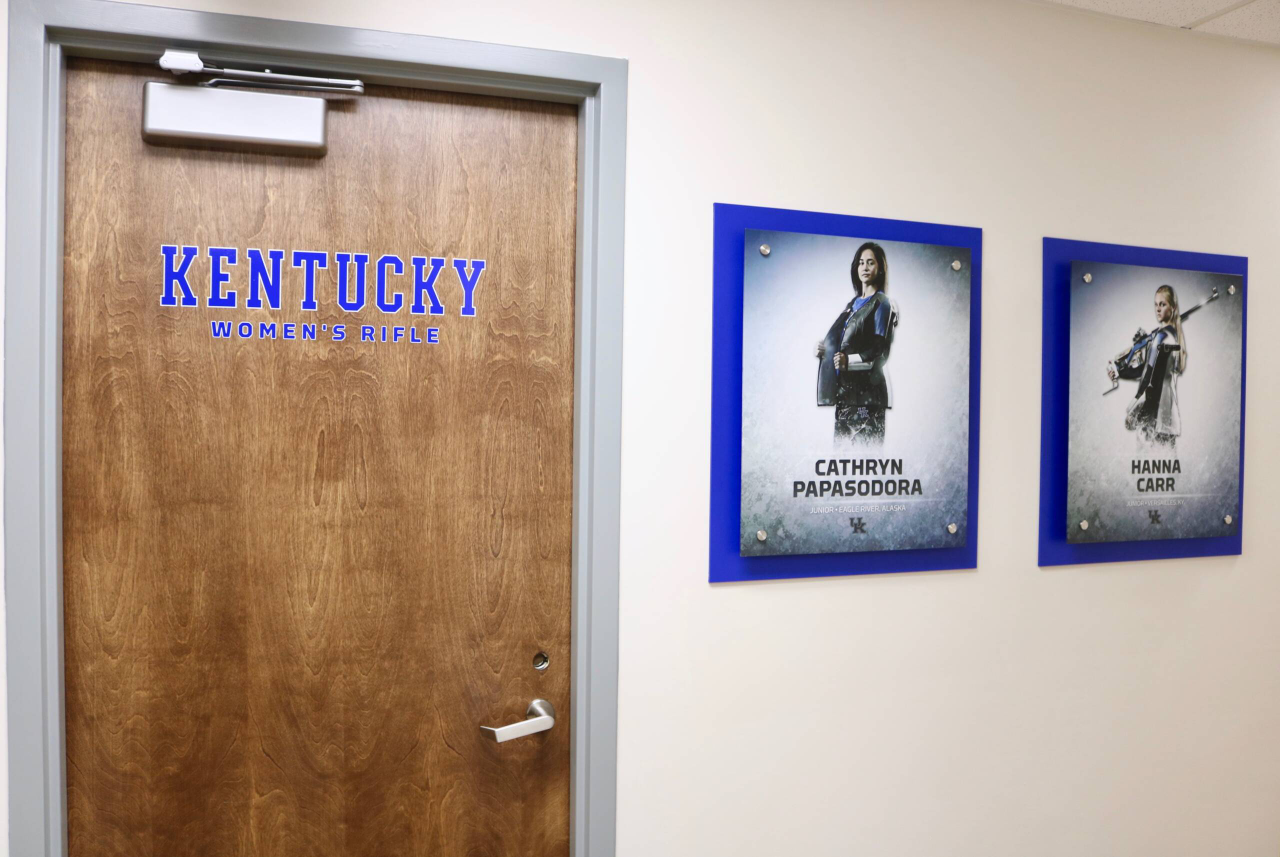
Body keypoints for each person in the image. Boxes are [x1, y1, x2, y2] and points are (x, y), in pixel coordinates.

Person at [815, 241, 896, 443]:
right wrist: (825, 351)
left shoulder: (882, 303)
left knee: (867, 459)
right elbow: (843, 340)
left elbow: (879, 351)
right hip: (846, 395)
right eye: (861, 262)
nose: (865, 267)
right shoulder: (852, 305)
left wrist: (848, 362)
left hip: (868, 396)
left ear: (880, 268)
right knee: (840, 460)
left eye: (870, 262)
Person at [1107, 284, 1185, 447]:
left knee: (1157, 458)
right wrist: (1121, 371)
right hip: (1160, 408)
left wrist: (1137, 404)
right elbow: (1146, 368)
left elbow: (1149, 372)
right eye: (1156, 304)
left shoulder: (1164, 337)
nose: (1158, 309)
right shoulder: (1162, 336)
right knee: (1155, 459)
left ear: (1172, 307)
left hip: (1159, 406)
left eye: (1162, 304)